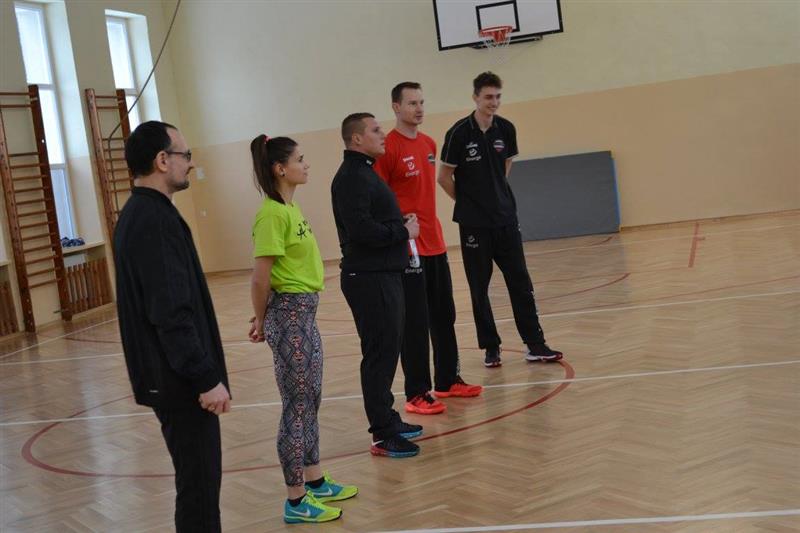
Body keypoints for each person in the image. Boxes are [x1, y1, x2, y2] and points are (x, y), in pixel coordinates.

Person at [115, 121, 231, 532]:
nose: (190, 163)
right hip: (180, 383)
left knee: (199, 484)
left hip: (175, 378)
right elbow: (170, 312)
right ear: (162, 160)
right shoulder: (152, 220)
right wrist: (205, 378)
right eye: (185, 155)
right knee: (199, 489)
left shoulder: (146, 213)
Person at [248, 134, 357, 524]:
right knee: (296, 405)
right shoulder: (271, 215)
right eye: (300, 159)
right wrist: (261, 319)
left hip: (305, 314)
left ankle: (315, 480)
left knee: (311, 398)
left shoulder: (289, 208)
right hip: (289, 315)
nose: (306, 164)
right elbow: (260, 278)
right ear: (280, 168)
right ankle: (295, 501)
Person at [437, 72, 563, 368]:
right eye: (488, 97)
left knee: (521, 283)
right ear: (475, 98)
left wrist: (496, 199)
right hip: (474, 226)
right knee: (479, 288)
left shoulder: (506, 129)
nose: (493, 102)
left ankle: (535, 343)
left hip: (505, 220)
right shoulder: (458, 133)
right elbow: (443, 177)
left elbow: (505, 166)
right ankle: (491, 346)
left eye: (497, 97)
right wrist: (469, 203)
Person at [374, 82, 483, 415]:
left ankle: (447, 380)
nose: (419, 108)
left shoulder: (429, 143)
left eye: (421, 102)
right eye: (411, 103)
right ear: (396, 107)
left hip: (435, 242)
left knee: (444, 315)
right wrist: (397, 228)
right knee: (416, 323)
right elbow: (378, 198)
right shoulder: (387, 148)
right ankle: (416, 392)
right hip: (408, 247)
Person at [331, 112, 424, 457]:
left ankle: (388, 418)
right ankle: (383, 434)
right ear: (356, 138)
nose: (383, 134)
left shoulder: (365, 172)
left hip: (383, 274)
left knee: (387, 351)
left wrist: (398, 221)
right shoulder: (351, 177)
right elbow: (360, 231)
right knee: (379, 355)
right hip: (368, 278)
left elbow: (370, 220)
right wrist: (403, 231)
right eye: (375, 130)